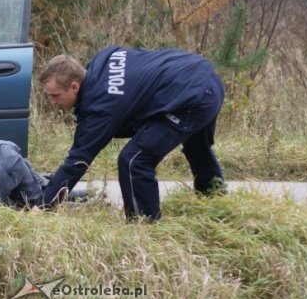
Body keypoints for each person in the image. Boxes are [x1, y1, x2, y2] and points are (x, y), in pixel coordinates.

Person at [38, 46, 226, 221]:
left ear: (74, 87)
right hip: (206, 77)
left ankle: (143, 227)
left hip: (195, 97)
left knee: (134, 160)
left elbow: (77, 161)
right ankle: (217, 204)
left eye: (55, 95)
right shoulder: (103, 59)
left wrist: (44, 206)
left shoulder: (101, 107)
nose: (53, 102)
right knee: (197, 147)